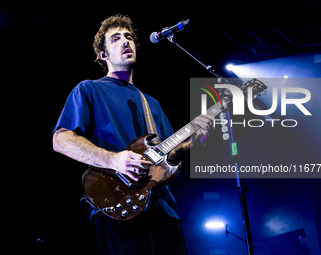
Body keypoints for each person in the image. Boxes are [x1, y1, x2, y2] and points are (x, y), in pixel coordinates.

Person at [52, 14, 213, 255]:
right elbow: (61, 140)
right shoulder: (88, 89)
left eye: (128, 37)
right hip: (120, 207)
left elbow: (168, 156)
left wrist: (193, 143)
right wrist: (114, 160)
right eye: (115, 39)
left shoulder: (151, 104)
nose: (126, 42)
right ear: (102, 55)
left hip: (165, 211)